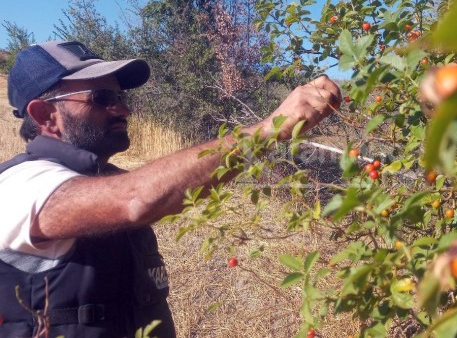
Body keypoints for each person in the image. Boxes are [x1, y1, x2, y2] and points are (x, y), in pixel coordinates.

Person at [0, 40, 341, 338]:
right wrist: (270, 129)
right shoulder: (19, 187)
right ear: (45, 115)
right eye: (102, 97)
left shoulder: (102, 178)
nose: (123, 108)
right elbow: (136, 199)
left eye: (119, 95)